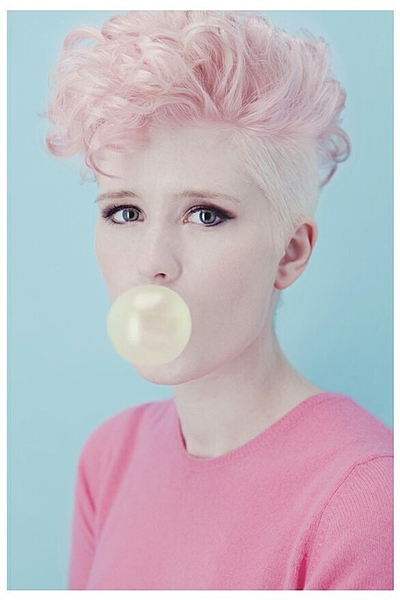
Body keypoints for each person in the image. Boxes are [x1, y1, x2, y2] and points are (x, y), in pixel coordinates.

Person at [45, 10, 393, 590]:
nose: (152, 261)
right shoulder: (107, 460)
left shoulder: (367, 498)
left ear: (289, 254)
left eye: (206, 215)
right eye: (125, 212)